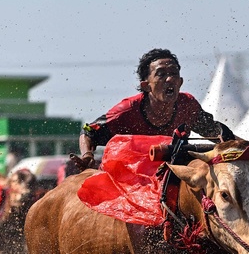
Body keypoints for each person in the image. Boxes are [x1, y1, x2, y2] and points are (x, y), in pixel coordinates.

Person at [72, 48, 234, 169]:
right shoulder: (127, 110)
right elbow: (88, 131)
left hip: (172, 173)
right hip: (131, 177)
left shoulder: (187, 105)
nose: (169, 79)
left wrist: (246, 149)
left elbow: (219, 134)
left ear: (180, 82)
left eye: (173, 73)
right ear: (146, 86)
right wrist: (87, 155)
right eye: (161, 74)